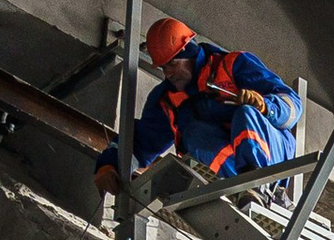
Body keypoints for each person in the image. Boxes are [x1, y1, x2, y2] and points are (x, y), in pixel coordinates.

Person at [93, 17, 299, 206]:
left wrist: (266, 106)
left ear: (189, 54)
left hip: (272, 155)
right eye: (163, 68)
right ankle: (239, 187)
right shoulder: (168, 99)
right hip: (230, 174)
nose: (168, 74)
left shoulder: (233, 65)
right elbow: (141, 141)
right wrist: (109, 164)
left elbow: (293, 106)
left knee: (245, 114)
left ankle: (255, 183)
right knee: (192, 134)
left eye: (172, 64)